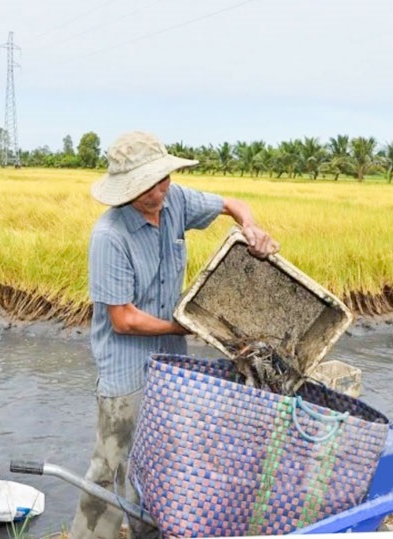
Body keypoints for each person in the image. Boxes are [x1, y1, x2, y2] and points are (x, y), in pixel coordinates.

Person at [69, 131, 279, 539]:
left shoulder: (175, 199)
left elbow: (233, 204)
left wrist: (251, 228)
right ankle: (90, 535)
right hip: (126, 370)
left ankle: (151, 531)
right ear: (126, 190)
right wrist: (185, 323)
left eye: (163, 179)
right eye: (148, 185)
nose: (159, 191)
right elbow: (124, 319)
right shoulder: (110, 236)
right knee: (111, 463)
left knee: (161, 457)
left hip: (172, 364)